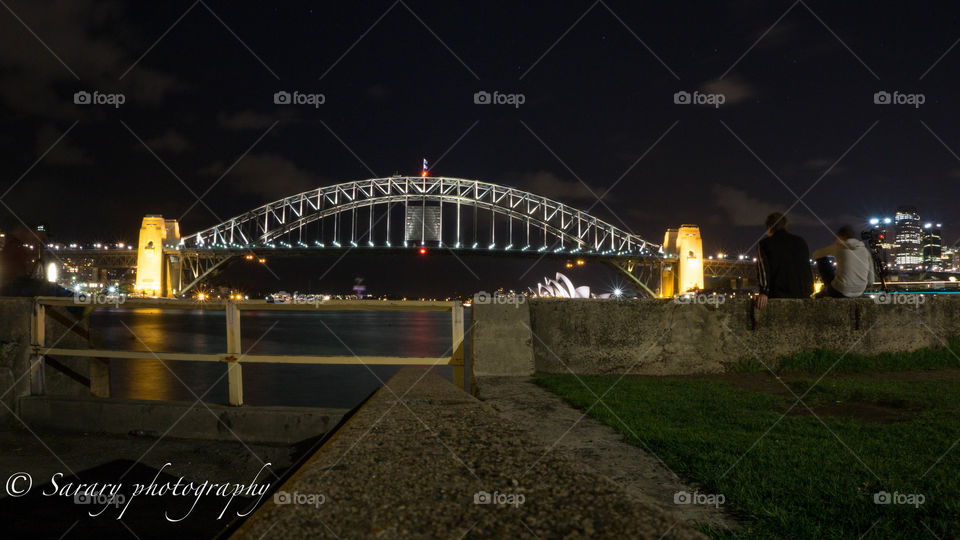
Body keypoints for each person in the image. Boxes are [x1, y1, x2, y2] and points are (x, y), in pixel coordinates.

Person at [755, 212, 814, 309]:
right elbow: (806, 268)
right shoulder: (801, 241)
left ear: (769, 226)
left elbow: (763, 270)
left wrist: (764, 292)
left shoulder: (764, 244)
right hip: (803, 295)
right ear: (785, 225)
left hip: (778, 295)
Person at [811, 225, 875, 298]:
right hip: (859, 292)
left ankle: (827, 289)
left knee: (821, 258)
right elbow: (870, 280)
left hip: (840, 291)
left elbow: (816, 254)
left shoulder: (839, 246)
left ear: (841, 236)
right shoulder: (865, 251)